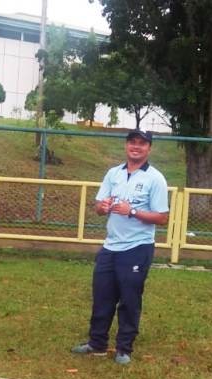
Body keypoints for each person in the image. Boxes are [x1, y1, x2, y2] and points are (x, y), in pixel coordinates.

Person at [71, 130, 169, 365]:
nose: (136, 147)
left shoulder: (155, 178)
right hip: (110, 246)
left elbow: (162, 217)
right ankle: (97, 343)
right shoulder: (113, 174)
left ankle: (124, 348)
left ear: (149, 148)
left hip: (137, 247)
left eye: (142, 144)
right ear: (126, 146)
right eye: (132, 142)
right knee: (102, 296)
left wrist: (132, 211)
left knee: (129, 298)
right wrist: (103, 207)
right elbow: (98, 206)